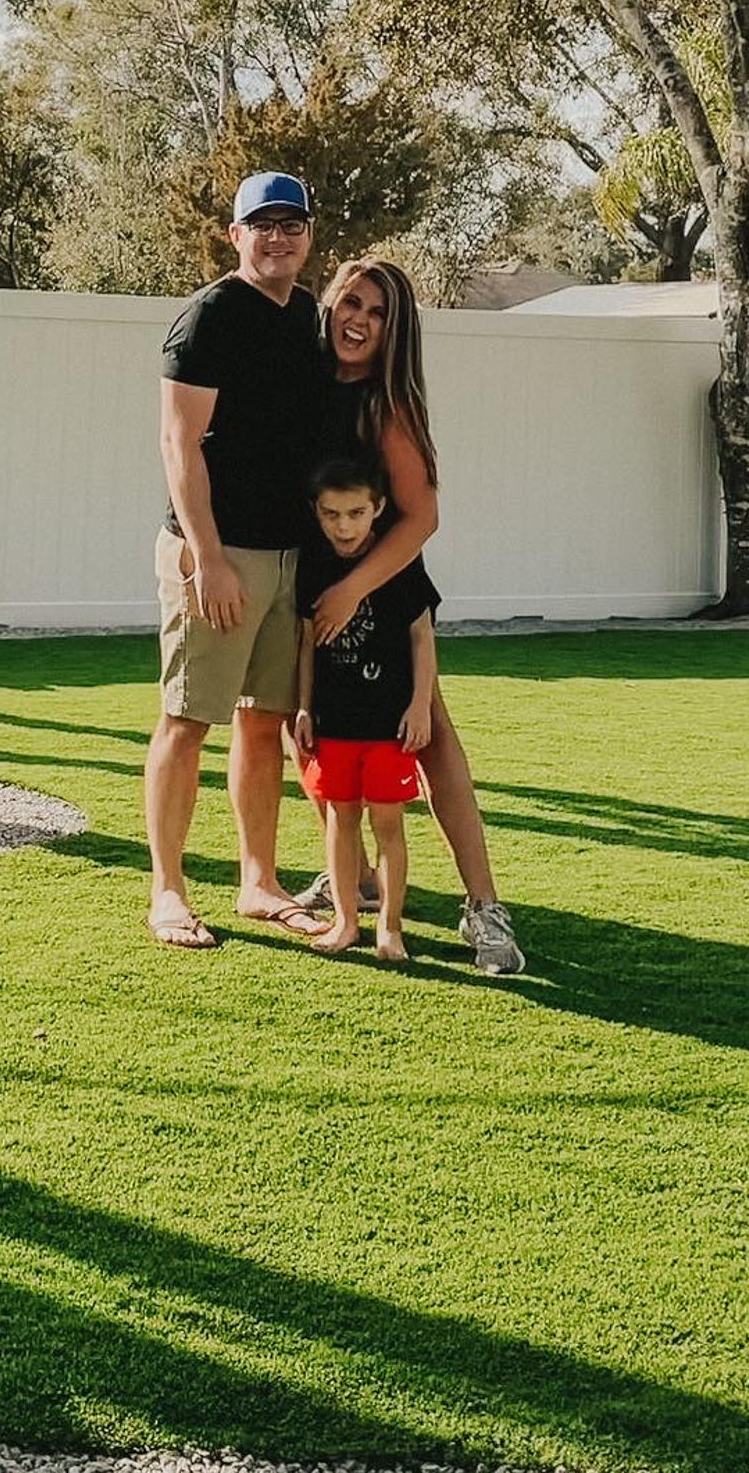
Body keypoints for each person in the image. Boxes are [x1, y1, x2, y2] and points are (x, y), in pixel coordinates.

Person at [298, 255, 527, 977]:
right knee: (312, 731)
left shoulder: (385, 404)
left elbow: (422, 516)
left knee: (426, 731)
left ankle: (484, 907)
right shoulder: (306, 384)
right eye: (350, 303)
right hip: (308, 586)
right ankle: (356, 881)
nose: (358, 321)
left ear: (394, 333)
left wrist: (353, 590)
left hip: (382, 591)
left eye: (376, 313)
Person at [145, 171, 329, 949]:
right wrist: (209, 558)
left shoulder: (309, 315)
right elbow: (177, 443)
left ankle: (259, 883)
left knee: (265, 727)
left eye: (292, 224)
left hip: (290, 555)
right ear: (236, 235)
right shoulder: (210, 317)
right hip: (216, 554)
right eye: (264, 225)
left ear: (308, 235)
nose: (279, 237)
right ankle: (168, 893)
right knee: (187, 722)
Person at [294, 456, 440, 960]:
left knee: (387, 824)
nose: (344, 525)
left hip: (388, 726)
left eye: (356, 513)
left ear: (377, 508)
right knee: (340, 818)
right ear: (316, 512)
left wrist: (420, 706)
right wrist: (305, 707)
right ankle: (345, 920)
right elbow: (308, 641)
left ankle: (390, 927)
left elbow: (422, 636)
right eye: (332, 514)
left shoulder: (399, 563)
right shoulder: (313, 564)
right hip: (334, 724)